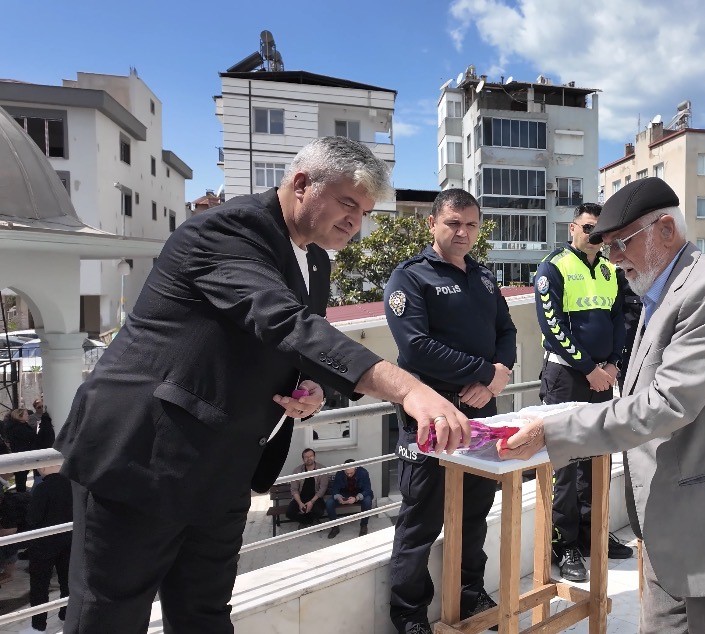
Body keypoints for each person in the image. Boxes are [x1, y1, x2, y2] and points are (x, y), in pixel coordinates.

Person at [54, 137, 471, 634]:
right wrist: (409, 389)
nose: (355, 222)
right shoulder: (227, 230)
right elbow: (285, 323)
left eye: (362, 212)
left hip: (225, 467)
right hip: (142, 455)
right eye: (347, 203)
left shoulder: (314, 259)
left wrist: (311, 386)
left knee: (205, 618)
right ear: (301, 184)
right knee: (109, 617)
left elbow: (292, 349)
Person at [499, 177, 705, 633]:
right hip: (677, 528)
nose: (613, 257)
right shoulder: (658, 290)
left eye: (622, 243)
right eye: (605, 246)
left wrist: (556, 430)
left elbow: (665, 403)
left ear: (666, 229)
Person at [384, 188, 517, 634]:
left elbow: (507, 328)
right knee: (421, 518)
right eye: (453, 223)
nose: (463, 232)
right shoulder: (411, 278)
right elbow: (416, 348)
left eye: (471, 225)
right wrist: (484, 372)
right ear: (433, 225)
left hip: (481, 415)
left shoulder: (482, 276)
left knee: (475, 509)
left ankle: (469, 591)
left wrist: (500, 373)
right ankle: (409, 615)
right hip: (431, 416)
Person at [534, 202, 630, 583]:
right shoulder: (554, 266)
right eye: (588, 227)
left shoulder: (610, 270)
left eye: (600, 229)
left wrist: (613, 365)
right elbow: (552, 325)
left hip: (602, 379)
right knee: (566, 466)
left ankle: (593, 535)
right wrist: (589, 368)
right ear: (573, 227)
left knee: (597, 461)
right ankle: (565, 544)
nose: (594, 235)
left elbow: (620, 321)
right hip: (566, 378)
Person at [25, 463, 71, 632]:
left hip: (44, 544)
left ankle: (38, 625)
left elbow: (33, 518)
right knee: (67, 581)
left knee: (39, 585)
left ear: (43, 467)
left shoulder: (42, 488)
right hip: (69, 540)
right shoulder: (74, 484)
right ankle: (67, 615)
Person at [3, 398, 54, 491]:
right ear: (20, 416)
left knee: (22, 476)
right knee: (22, 477)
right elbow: (31, 438)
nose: (28, 415)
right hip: (23, 455)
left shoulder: (19, 426)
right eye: (26, 414)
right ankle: (22, 494)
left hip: (24, 454)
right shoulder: (18, 428)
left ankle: (22, 492)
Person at [324, 459, 374, 538]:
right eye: (347, 473)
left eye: (351, 473)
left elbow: (367, 489)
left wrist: (356, 498)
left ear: (356, 468)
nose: (349, 475)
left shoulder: (363, 473)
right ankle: (335, 527)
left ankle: (364, 525)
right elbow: (335, 489)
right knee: (329, 503)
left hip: (358, 494)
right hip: (345, 494)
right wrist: (339, 497)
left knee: (367, 501)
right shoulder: (340, 474)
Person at [286, 448, 328, 528]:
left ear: (314, 456)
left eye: (311, 456)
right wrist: (299, 503)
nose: (309, 458)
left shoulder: (322, 469)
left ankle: (307, 521)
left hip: (315, 498)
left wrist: (311, 502)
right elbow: (294, 489)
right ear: (303, 459)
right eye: (306, 457)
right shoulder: (297, 471)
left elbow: (322, 489)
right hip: (301, 497)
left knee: (319, 511)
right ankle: (308, 521)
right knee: (289, 513)